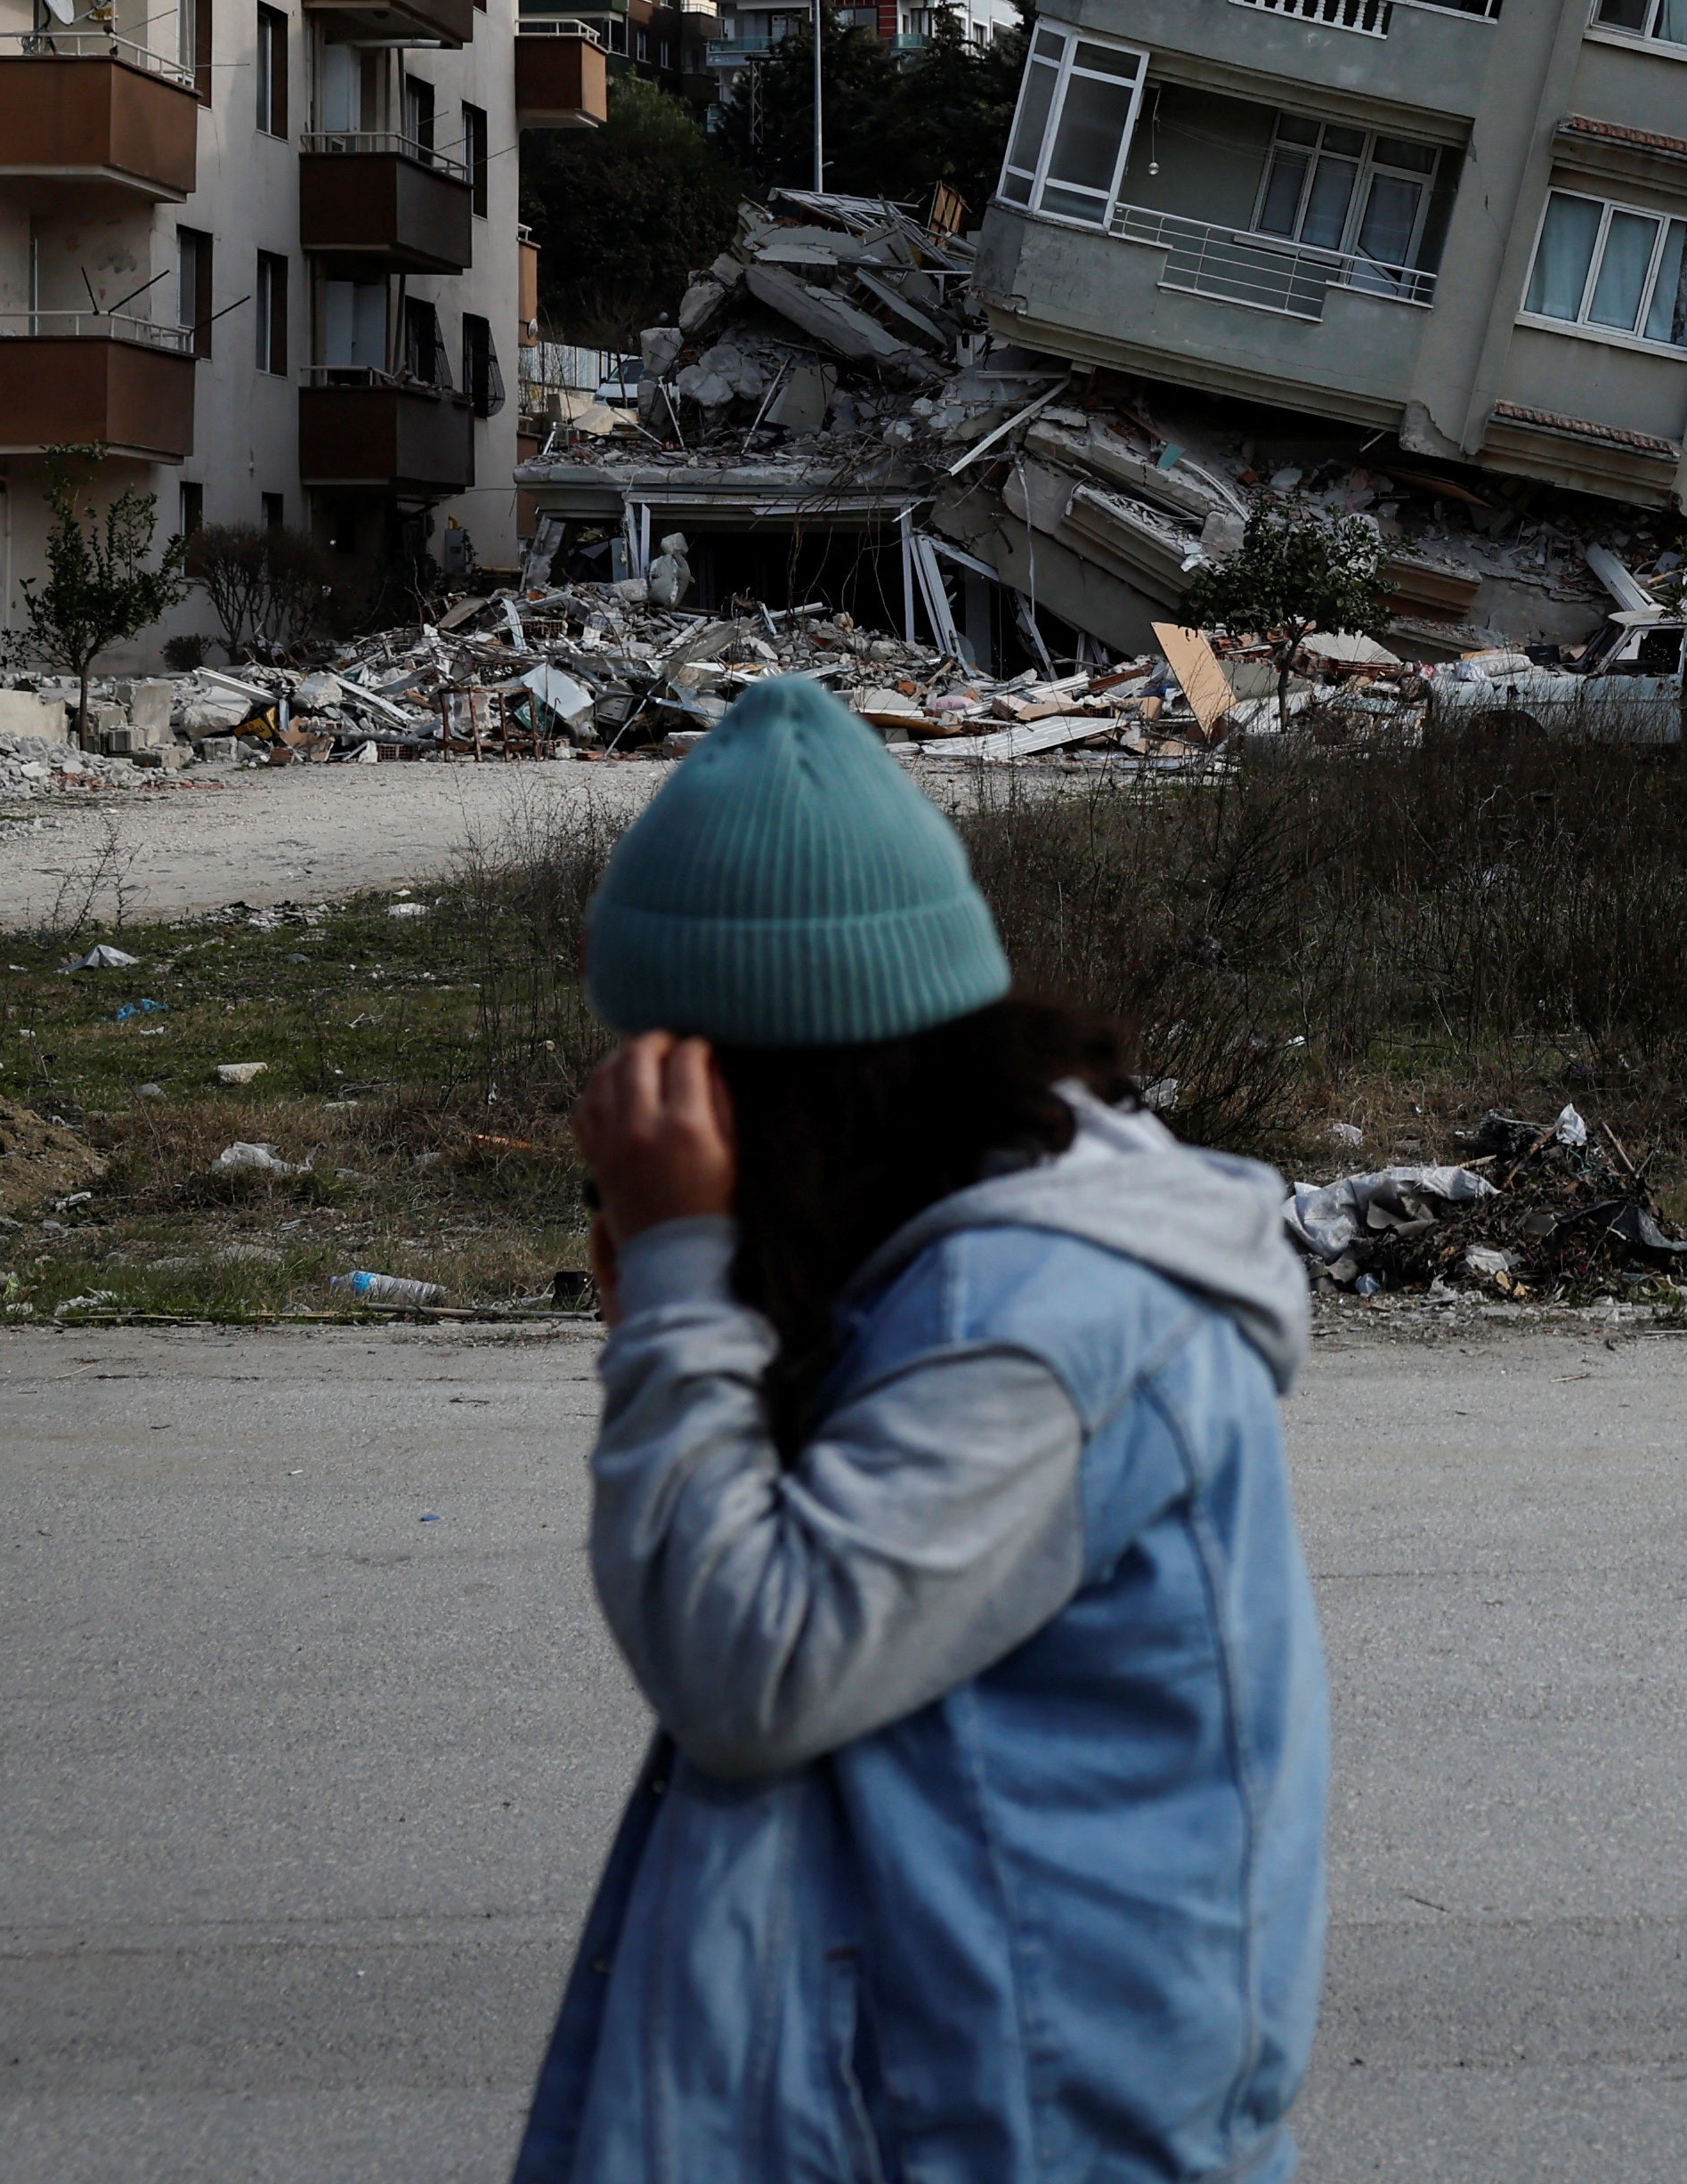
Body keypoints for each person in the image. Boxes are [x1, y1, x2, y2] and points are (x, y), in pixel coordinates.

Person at [515, 673, 1326, 2182]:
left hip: (1014, 2127)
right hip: (953, 2078)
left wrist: (690, 1286)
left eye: (676, 1087)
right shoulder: (956, 1247)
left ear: (777, 1095)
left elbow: (750, 1665)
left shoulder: (1036, 1320)